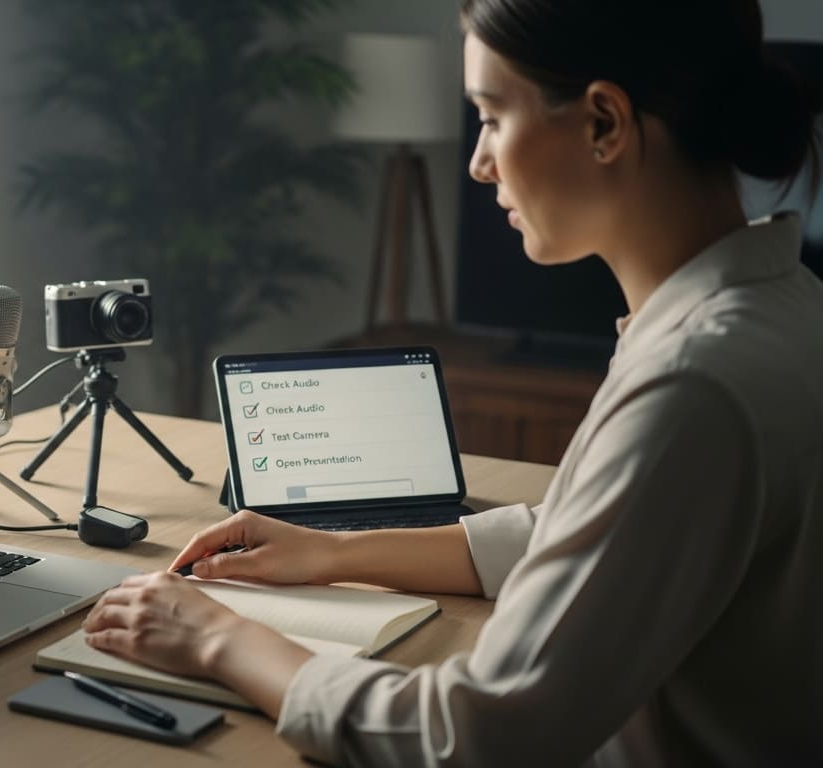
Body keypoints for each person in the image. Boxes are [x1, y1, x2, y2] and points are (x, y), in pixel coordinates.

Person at [81, 1, 823, 764]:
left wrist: (216, 638)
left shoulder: (692, 382)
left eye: (493, 117)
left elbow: (477, 734)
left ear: (604, 123)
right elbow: (594, 531)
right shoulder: (782, 307)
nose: (479, 161)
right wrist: (332, 553)